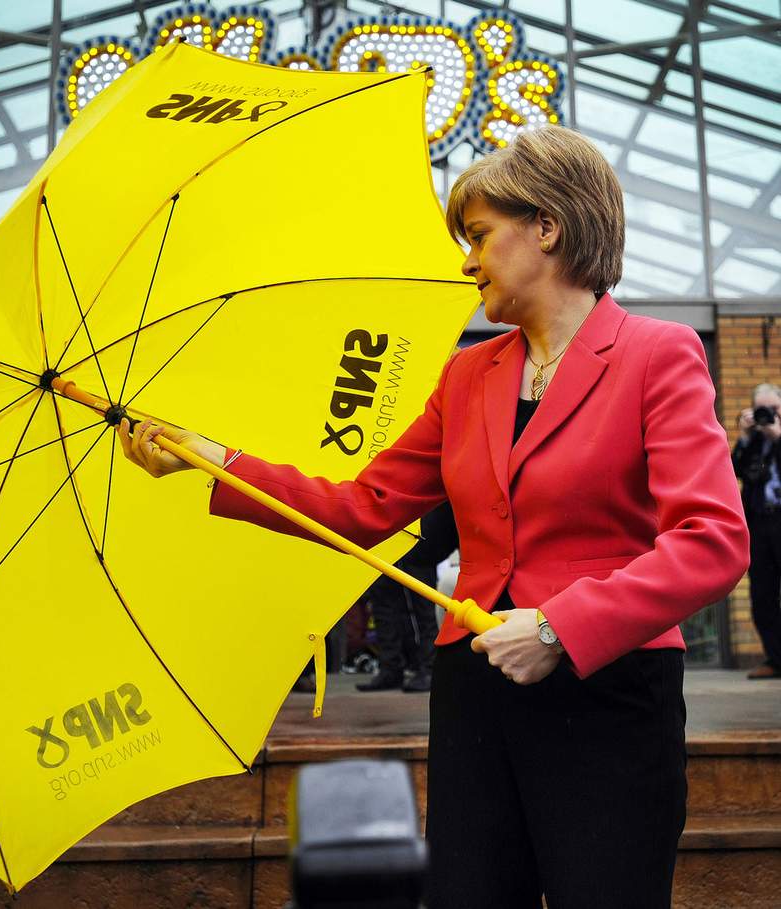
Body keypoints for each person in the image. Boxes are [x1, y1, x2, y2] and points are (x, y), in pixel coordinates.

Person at [117, 125, 749, 908]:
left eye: (479, 235)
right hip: (475, 685)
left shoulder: (661, 353)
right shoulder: (467, 376)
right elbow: (364, 506)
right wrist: (214, 458)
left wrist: (557, 625)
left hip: (610, 688)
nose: (466, 258)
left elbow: (713, 542)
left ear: (547, 226)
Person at [356, 500, 458, 693]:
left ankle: (427, 667)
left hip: (416, 524)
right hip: (387, 523)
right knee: (383, 600)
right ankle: (391, 666)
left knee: (420, 601)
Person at [733, 383, 781, 679]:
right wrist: (744, 436)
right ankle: (776, 660)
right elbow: (734, 469)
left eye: (773, 409)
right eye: (762, 409)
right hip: (760, 523)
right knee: (762, 593)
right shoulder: (752, 441)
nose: (767, 415)